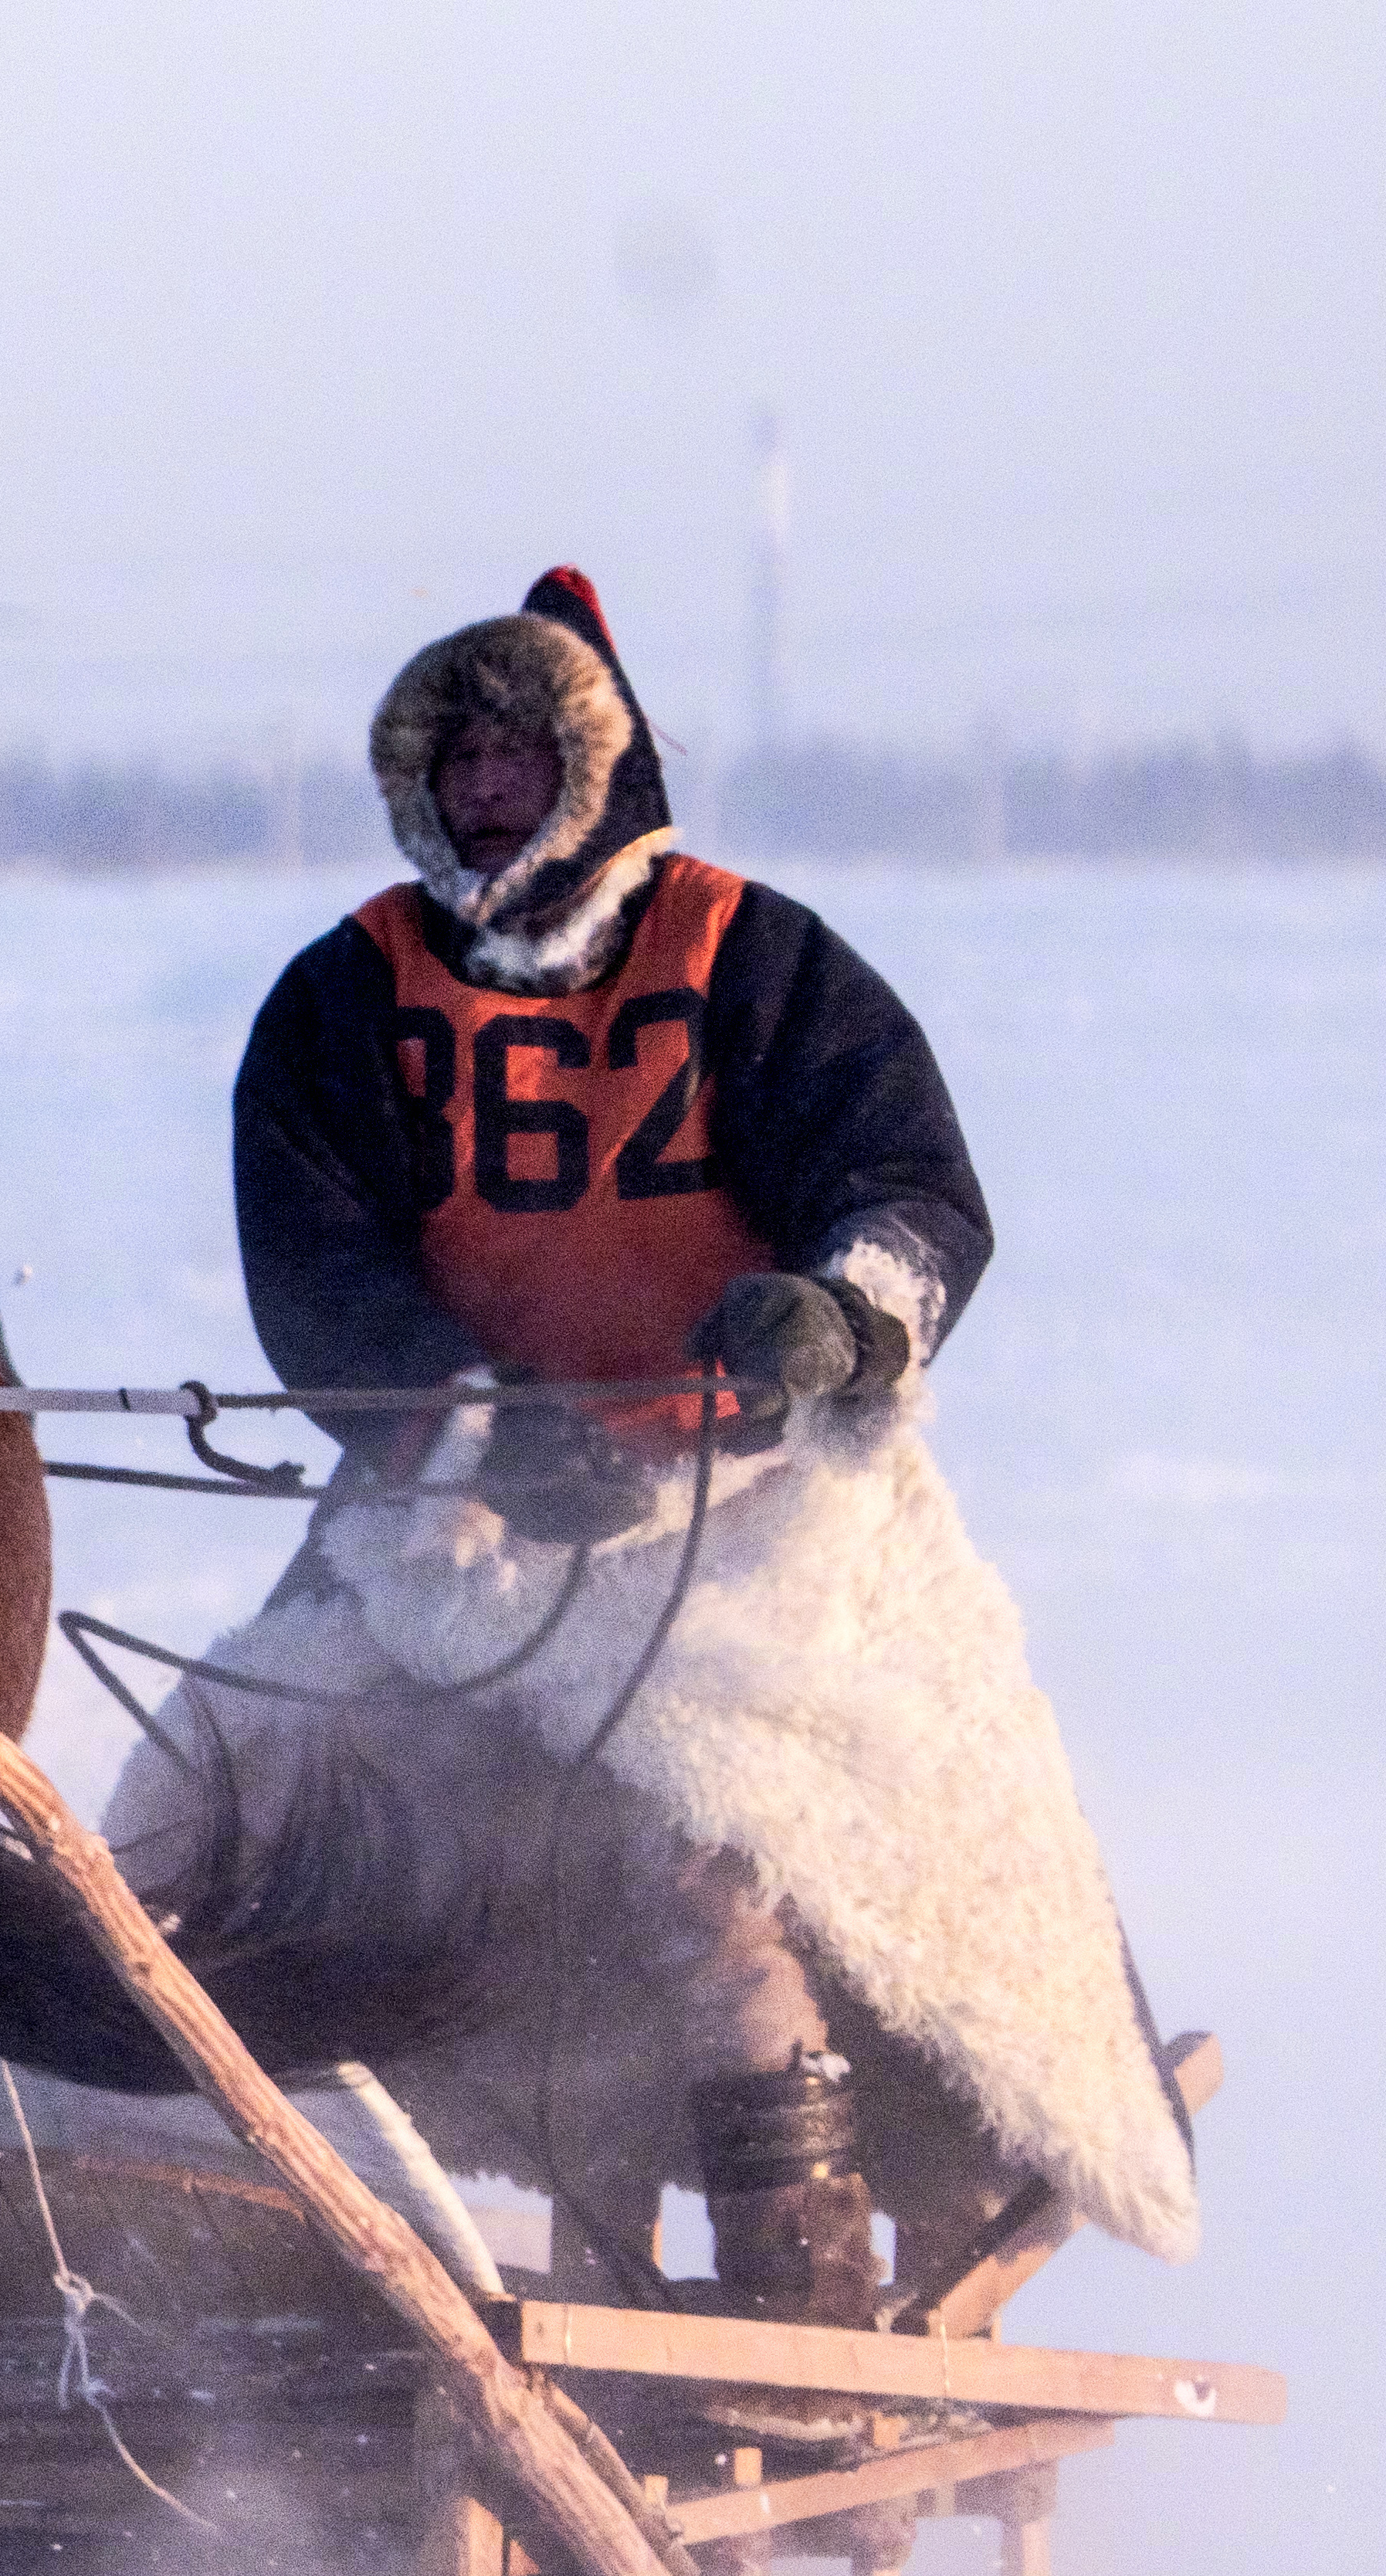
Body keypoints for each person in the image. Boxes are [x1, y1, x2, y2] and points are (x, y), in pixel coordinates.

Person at [73, 568, 1195, 2312]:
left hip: (756, 1504)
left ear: (591, 773)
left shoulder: (751, 955)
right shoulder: (347, 995)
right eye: (456, 767)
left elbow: (906, 1182)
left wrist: (836, 1317)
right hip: (458, 1511)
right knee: (220, 1785)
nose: (484, 795)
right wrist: (471, 1425)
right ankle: (147, 2192)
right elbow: (318, 1268)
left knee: (733, 1828)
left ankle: (811, 2268)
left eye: (518, 761)